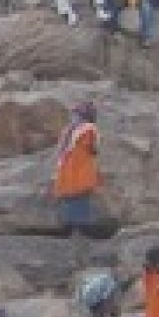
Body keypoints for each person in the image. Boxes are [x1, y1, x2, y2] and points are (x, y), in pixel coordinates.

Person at [51, 102, 101, 255]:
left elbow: (91, 149)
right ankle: (72, 232)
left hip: (79, 172)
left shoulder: (88, 130)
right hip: (70, 173)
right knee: (71, 202)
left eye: (76, 114)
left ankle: (79, 234)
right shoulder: (71, 131)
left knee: (79, 202)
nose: (73, 117)